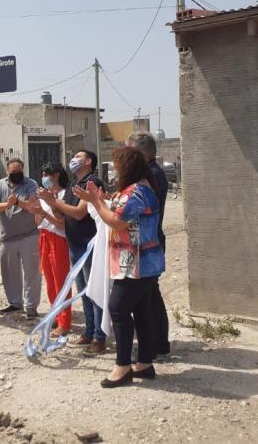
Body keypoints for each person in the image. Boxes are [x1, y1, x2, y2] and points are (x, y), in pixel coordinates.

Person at [74, 146, 165, 388]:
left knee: (118, 308)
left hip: (135, 264)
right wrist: (98, 198)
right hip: (143, 263)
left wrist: (95, 201)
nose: (115, 170)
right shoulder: (140, 189)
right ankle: (144, 363)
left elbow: (117, 221)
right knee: (142, 312)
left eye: (117, 166)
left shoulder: (136, 192)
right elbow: (117, 207)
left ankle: (122, 366)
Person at [38, 150, 106, 354]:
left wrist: (52, 202)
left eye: (78, 157)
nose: (73, 160)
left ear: (88, 161)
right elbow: (63, 212)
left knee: (94, 292)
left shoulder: (93, 182)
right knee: (84, 291)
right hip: (74, 245)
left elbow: (78, 213)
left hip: (89, 245)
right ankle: (89, 331)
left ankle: (99, 337)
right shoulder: (73, 187)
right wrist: (52, 202)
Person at [127, 132, 170, 356]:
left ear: (140, 152)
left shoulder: (152, 176)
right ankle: (158, 342)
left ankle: (156, 343)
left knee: (149, 294)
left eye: (130, 151)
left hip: (148, 243)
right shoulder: (151, 174)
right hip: (148, 242)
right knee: (150, 294)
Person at [0, 158, 41, 317]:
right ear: (7, 172)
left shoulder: (31, 184)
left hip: (29, 235)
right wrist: (7, 205)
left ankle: (31, 306)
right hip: (8, 236)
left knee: (31, 272)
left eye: (19, 172)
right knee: (9, 272)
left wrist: (17, 201)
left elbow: (33, 207)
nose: (16, 174)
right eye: (13, 172)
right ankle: (15, 302)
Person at [34, 163, 71, 337]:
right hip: (44, 236)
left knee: (61, 281)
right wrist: (36, 209)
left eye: (45, 174)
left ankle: (65, 322)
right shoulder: (43, 196)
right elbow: (37, 221)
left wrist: (47, 207)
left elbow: (61, 223)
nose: (43, 178)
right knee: (49, 280)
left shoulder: (64, 195)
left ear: (55, 175)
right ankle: (55, 315)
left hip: (58, 239)